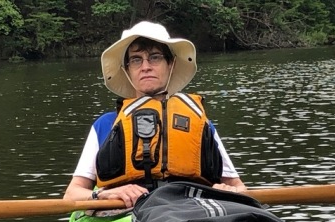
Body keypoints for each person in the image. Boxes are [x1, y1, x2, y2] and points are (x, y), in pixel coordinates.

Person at [64, 21, 246, 208]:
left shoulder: (201, 124)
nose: (145, 67)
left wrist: (228, 191)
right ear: (127, 70)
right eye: (136, 60)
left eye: (155, 57)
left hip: (192, 209)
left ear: (171, 64)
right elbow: (72, 194)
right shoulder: (106, 125)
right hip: (125, 213)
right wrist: (104, 194)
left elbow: (238, 187)